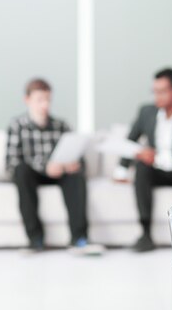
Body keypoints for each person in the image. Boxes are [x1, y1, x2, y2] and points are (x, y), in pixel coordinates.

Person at [6, 78, 103, 255]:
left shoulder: (61, 126)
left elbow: (78, 156)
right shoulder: (17, 125)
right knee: (20, 171)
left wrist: (73, 164)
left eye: (48, 100)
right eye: (39, 100)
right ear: (27, 100)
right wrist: (44, 167)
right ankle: (35, 239)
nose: (45, 105)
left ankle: (79, 238)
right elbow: (11, 162)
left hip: (60, 173)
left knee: (77, 175)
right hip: (32, 175)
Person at [113, 68, 172, 252]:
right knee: (142, 167)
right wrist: (121, 170)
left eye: (162, 91)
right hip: (158, 170)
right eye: (154, 91)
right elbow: (130, 141)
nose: (157, 97)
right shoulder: (146, 112)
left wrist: (160, 156)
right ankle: (145, 234)